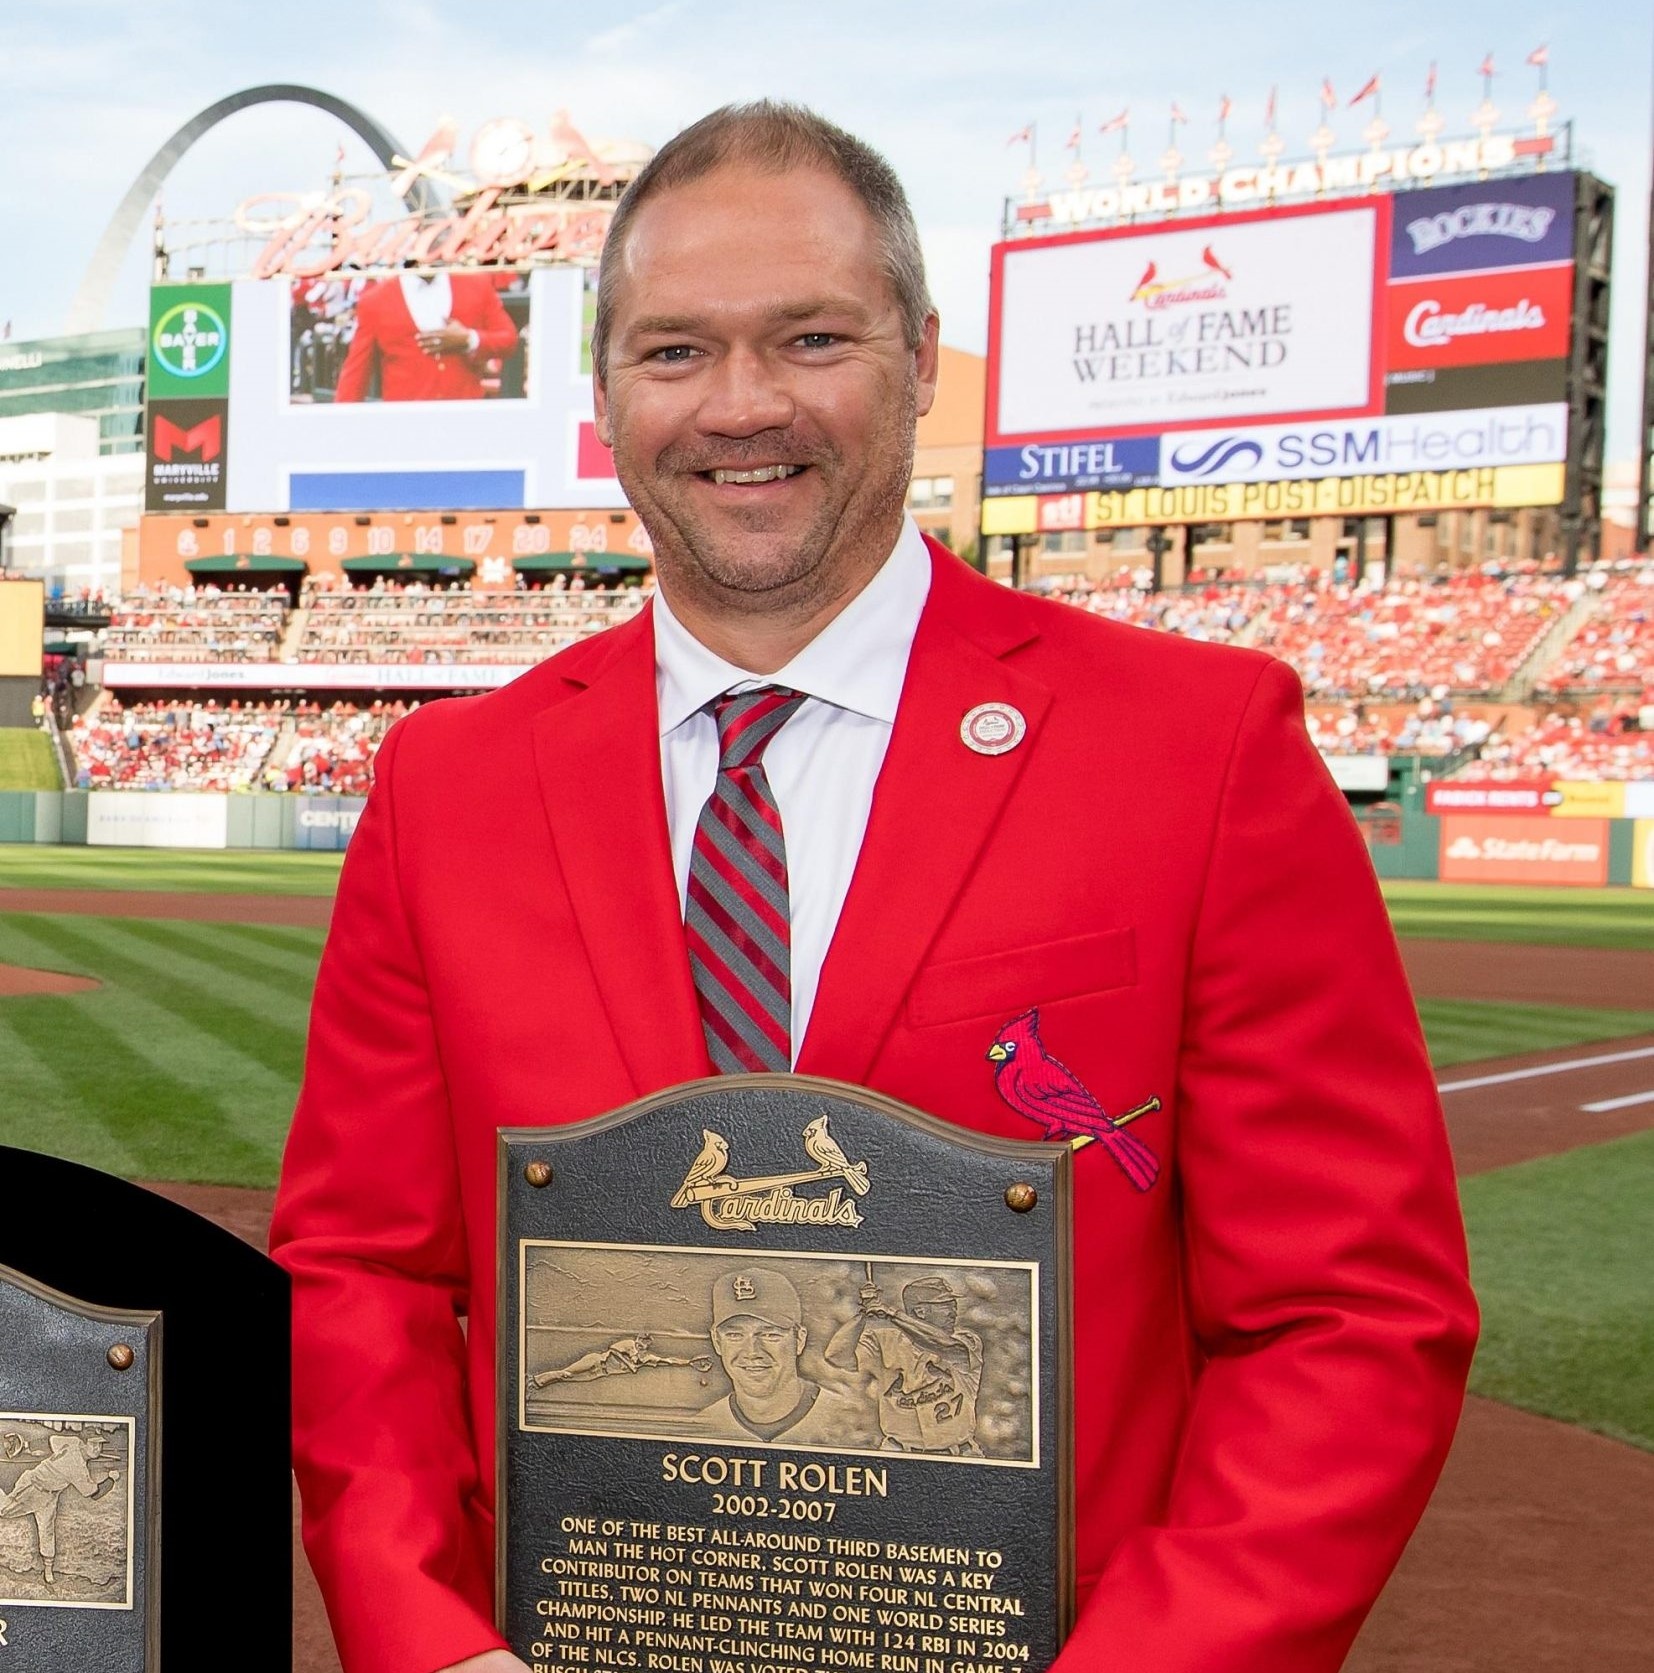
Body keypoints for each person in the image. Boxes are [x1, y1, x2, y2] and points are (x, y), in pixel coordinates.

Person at [272, 101, 1477, 1673]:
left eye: (811, 338)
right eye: (674, 352)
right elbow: (358, 1277)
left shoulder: (1199, 749)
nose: (742, 405)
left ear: (917, 356)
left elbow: (1348, 1319)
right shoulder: (448, 788)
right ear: (604, 394)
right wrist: (430, 1641)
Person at [693, 1268, 868, 1445]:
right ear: (716, 1341)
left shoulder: (852, 1420)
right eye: (735, 1335)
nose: (752, 1352)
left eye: (770, 1335)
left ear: (799, 1339)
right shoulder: (701, 1427)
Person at [825, 1274, 984, 1454]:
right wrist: (864, 1313)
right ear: (921, 1312)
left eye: (953, 1304)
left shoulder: (966, 1340)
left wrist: (892, 1314)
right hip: (899, 1451)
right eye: (945, 1305)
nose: (953, 1311)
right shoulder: (884, 1342)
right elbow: (835, 1356)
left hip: (959, 1453)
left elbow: (944, 1346)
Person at [332, 269, 519, 403]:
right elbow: (356, 372)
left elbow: (508, 339)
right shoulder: (376, 300)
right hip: (405, 427)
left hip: (464, 421)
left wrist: (469, 340)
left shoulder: (476, 285)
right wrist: (341, 432)